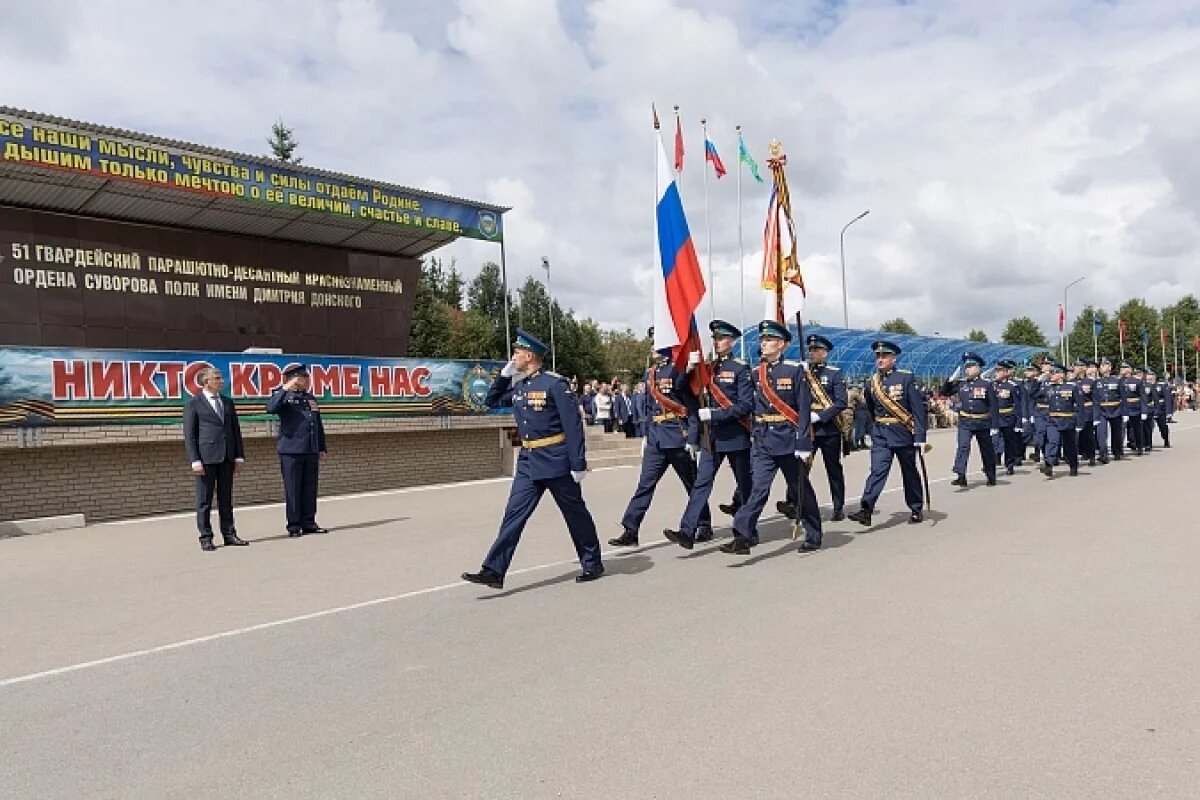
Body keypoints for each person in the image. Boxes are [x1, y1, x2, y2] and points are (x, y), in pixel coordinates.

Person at [462, 330, 603, 589]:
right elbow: (490, 401)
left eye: (516, 353)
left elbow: (573, 426)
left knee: (575, 514)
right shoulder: (519, 386)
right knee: (513, 515)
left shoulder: (554, 384)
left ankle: (592, 562)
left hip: (556, 460)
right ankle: (493, 570)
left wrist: (578, 464)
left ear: (530, 356)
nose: (513, 357)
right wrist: (503, 377)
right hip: (528, 460)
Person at [724, 319, 821, 554]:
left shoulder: (794, 370)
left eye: (769, 340)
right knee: (758, 489)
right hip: (764, 440)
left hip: (789, 440)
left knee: (800, 490)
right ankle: (743, 535)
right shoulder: (756, 373)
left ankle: (814, 534)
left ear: (782, 345)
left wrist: (803, 442)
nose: (764, 343)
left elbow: (804, 408)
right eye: (763, 339)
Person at [610, 328, 708, 547]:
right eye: (652, 342)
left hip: (677, 434)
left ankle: (703, 524)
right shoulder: (651, 373)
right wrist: (646, 435)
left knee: (691, 483)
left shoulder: (680, 369)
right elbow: (648, 407)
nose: (652, 346)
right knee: (645, 483)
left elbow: (691, 407)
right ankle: (631, 529)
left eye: (657, 342)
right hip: (656, 437)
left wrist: (693, 437)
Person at [663, 320, 753, 549]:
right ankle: (687, 530)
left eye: (721, 338)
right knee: (701, 483)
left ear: (731, 341)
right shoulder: (707, 369)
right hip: (711, 438)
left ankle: (747, 530)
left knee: (744, 485)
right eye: (714, 338)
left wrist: (714, 415)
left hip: (735, 435)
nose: (717, 342)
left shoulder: (740, 368)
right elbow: (679, 389)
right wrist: (689, 370)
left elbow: (745, 405)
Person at [847, 340, 928, 527]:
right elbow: (870, 408)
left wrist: (920, 437)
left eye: (884, 356)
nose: (880, 359)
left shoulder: (906, 378)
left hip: (902, 433)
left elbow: (918, 409)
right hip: (881, 434)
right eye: (878, 356)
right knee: (877, 471)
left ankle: (916, 507)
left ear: (893, 357)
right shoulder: (871, 383)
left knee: (909, 472)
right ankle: (866, 509)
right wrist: (873, 430)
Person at [183, 367, 248, 552]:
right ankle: (206, 537)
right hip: (206, 459)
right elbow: (190, 435)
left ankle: (229, 534)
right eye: (217, 378)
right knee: (204, 500)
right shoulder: (194, 404)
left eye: (220, 378)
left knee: (226, 499)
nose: (221, 381)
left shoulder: (227, 402)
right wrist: (195, 460)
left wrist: (239, 455)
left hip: (227, 457)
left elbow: (235, 431)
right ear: (206, 382)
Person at [266, 363, 328, 537]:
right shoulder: (282, 395)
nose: (307, 380)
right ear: (295, 378)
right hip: (291, 450)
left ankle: (309, 522)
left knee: (310, 488)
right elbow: (271, 408)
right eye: (303, 377)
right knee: (293, 489)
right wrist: (285, 387)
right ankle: (294, 525)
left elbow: (317, 424)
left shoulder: (310, 398)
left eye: (307, 377)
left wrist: (321, 446)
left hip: (310, 449)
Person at [944, 351, 998, 488]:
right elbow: (944, 392)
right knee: (963, 446)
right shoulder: (961, 384)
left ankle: (991, 475)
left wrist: (994, 426)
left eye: (971, 366)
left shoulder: (986, 384)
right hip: (965, 421)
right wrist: (950, 381)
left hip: (982, 422)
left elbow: (993, 406)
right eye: (966, 367)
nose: (967, 369)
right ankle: (960, 475)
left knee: (986, 450)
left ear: (978, 367)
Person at [1039, 362, 1084, 478]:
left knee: (1070, 445)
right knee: (1052, 441)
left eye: (1053, 373)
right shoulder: (1048, 387)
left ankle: (1073, 466)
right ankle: (1048, 465)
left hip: (1068, 419)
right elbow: (1033, 394)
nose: (1051, 375)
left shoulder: (1072, 387)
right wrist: (1039, 380)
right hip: (1053, 419)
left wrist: (1079, 423)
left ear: (1061, 375)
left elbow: (1080, 406)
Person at [990, 359, 1023, 475]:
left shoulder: (1012, 386)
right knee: (993, 441)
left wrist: (1019, 422)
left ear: (1005, 372)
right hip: (994, 417)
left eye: (999, 371)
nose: (996, 373)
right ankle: (990, 464)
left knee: (1009, 442)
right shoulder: (991, 385)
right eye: (996, 371)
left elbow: (1017, 405)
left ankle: (1009, 464)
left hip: (1008, 417)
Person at [1095, 357, 1123, 461]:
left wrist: (1124, 412)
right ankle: (1103, 454)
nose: (1101, 367)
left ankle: (1117, 452)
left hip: (1115, 409)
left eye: (1104, 365)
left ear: (1109, 367)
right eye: (1100, 365)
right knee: (1101, 433)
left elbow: (1122, 396)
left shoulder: (1117, 380)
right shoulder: (1097, 382)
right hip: (1101, 410)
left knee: (1116, 433)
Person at [1119, 361, 1146, 456]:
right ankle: (1119, 449)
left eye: (1125, 368)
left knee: (1136, 429)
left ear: (1130, 370)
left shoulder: (1137, 381)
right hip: (1122, 408)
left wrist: (1144, 411)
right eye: (1122, 368)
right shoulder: (1118, 381)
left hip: (1135, 408)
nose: (1122, 369)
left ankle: (1139, 446)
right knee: (1121, 429)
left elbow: (1142, 396)